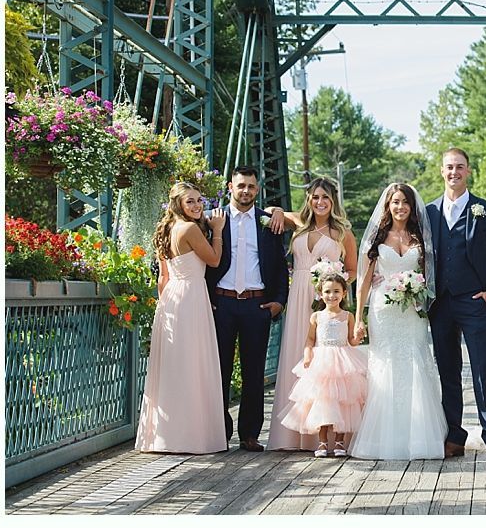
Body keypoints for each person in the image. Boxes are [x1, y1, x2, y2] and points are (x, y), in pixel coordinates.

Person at [426, 148, 486, 463]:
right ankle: (454, 436)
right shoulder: (428, 212)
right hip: (441, 305)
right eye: (449, 167)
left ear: (469, 170)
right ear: (441, 171)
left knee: (482, 370)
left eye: (460, 167)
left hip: (476, 302)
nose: (454, 172)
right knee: (447, 371)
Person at [350, 183, 448, 459]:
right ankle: (384, 437)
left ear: (412, 206)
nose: (400, 207)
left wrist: (421, 294)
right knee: (386, 367)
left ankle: (419, 436)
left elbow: (429, 275)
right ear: (387, 205)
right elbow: (363, 282)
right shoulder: (376, 239)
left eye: (405, 202)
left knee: (416, 362)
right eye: (395, 202)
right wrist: (359, 319)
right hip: (383, 310)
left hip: (413, 311)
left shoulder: (421, 237)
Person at [265, 178, 358, 451]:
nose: (320, 202)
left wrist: (333, 285)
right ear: (309, 199)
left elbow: (352, 269)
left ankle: (328, 435)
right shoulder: (300, 225)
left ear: (333, 201)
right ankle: (293, 435)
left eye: (325, 198)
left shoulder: (343, 233)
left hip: (325, 302)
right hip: (298, 301)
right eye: (315, 197)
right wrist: (281, 213)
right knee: (299, 357)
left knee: (326, 367)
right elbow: (270, 210)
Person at [136, 182, 227, 454]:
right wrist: (218, 232)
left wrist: (163, 308)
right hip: (190, 296)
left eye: (200, 200)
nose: (198, 205)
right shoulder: (188, 229)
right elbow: (213, 260)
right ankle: (190, 436)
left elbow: (162, 278)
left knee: (174, 366)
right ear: (178, 205)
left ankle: (168, 435)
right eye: (191, 202)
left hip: (171, 299)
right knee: (192, 364)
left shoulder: (164, 230)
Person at [205, 165, 289, 452]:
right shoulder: (213, 220)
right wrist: (207, 299)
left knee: (254, 372)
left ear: (257, 189)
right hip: (222, 303)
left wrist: (279, 302)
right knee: (220, 369)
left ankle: (250, 434)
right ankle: (220, 431)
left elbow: (279, 266)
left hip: (257, 304)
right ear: (230, 187)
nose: (246, 191)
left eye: (251, 186)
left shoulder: (268, 223)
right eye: (241, 185)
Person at [279, 273, 367, 458]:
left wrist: (357, 337)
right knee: (323, 402)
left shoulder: (347, 316)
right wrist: (307, 354)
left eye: (336, 291)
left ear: (344, 293)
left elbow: (351, 341)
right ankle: (322, 442)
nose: (331, 295)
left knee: (344, 404)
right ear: (320, 293)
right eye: (327, 291)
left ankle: (340, 442)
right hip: (322, 361)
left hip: (343, 361)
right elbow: (310, 339)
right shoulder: (316, 316)